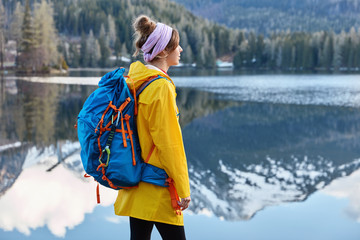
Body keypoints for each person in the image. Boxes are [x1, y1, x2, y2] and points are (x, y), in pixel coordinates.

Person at [113, 15, 191, 240]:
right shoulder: (161, 87)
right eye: (177, 45)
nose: (181, 49)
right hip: (158, 186)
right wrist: (183, 189)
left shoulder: (135, 80)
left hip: (135, 180)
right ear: (164, 51)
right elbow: (169, 144)